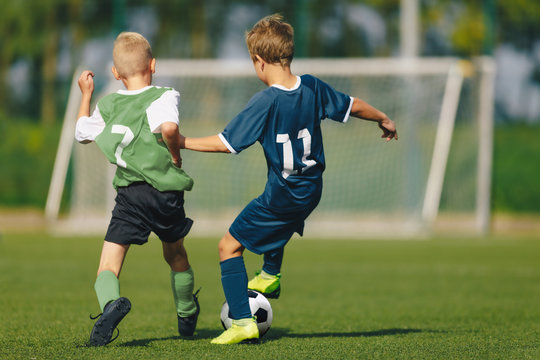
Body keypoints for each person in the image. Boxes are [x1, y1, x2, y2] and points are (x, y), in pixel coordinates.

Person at [180, 14, 398, 345]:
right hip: (311, 189)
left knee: (228, 247)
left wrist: (182, 142)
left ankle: (241, 321)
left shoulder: (265, 101)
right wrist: (383, 118)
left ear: (259, 61)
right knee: (277, 211)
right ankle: (269, 274)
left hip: (284, 196)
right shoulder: (312, 86)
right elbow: (354, 106)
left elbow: (227, 144)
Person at [75, 32, 199, 346]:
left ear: (115, 74)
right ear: (153, 65)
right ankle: (186, 311)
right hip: (165, 194)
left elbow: (81, 133)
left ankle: (110, 306)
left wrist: (86, 93)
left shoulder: (109, 103)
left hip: (130, 195)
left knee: (108, 266)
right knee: (175, 255)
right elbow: (169, 128)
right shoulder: (163, 94)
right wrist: (175, 154)